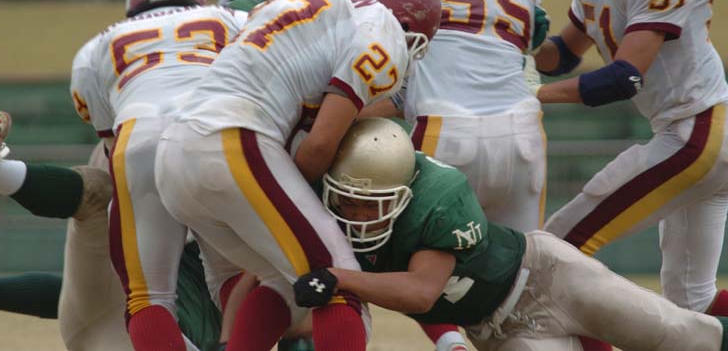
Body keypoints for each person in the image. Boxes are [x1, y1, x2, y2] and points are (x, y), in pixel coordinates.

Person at [0, 0, 246, 351]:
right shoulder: (231, 21)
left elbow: (110, 143)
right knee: (254, 278)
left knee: (142, 286)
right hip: (208, 148)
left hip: (135, 151)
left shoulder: (101, 50)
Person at [154, 0, 442, 351]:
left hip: (174, 155)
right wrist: (298, 192)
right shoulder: (383, 27)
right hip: (234, 142)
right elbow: (321, 144)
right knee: (339, 277)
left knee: (284, 280)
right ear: (406, 22)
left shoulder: (309, 2)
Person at [293, 117, 728, 351]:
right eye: (348, 200)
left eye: (373, 203)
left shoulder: (438, 197)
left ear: (406, 190)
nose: (359, 214)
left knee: (686, 337)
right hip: (497, 332)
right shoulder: (321, 209)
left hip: (549, 278)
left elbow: (421, 292)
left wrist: (339, 277)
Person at [533, 0, 728, 319]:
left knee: (557, 251)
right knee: (693, 304)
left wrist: (531, 96)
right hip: (694, 132)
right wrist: (519, 39)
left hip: (696, 135)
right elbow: (562, 55)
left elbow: (623, 79)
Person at [346, 0, 549, 232]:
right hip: (524, 135)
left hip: (446, 129)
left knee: (417, 256)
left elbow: (343, 8)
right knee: (527, 259)